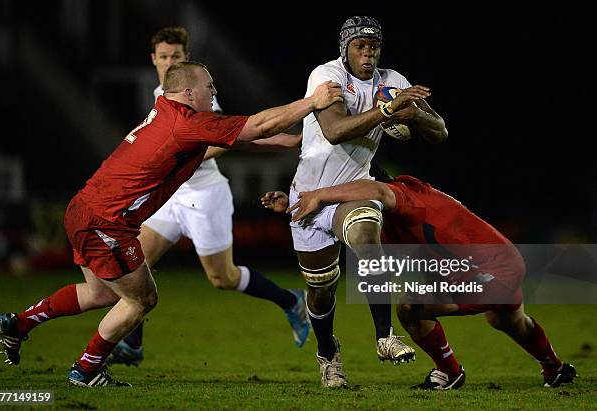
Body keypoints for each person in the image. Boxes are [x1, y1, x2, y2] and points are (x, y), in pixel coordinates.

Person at [0, 61, 343, 387]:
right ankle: (87, 368)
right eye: (209, 86)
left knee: (101, 293)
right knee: (141, 299)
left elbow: (243, 138)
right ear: (189, 93)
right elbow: (259, 125)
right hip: (107, 223)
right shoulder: (187, 123)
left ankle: (18, 324)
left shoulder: (166, 112)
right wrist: (312, 101)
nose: (215, 92)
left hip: (83, 209)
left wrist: (295, 141)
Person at [262, 166, 577, 390]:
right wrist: (293, 202)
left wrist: (318, 194)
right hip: (495, 262)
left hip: (487, 271)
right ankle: (555, 368)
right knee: (507, 320)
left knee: (410, 305)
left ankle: (450, 372)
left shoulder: (401, 197)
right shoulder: (385, 216)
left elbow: (376, 190)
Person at [107, 26, 310, 367]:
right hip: (171, 196)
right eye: (164, 57)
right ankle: (133, 345)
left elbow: (220, 140)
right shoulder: (161, 92)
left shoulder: (199, 94)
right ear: (153, 59)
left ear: (185, 58)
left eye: (176, 56)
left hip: (204, 195)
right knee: (135, 265)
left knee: (222, 278)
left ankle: (291, 301)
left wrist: (175, 158)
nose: (169, 61)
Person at [285, 15, 447, 387]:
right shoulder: (327, 77)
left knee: (366, 238)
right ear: (345, 48)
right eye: (360, 45)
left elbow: (440, 131)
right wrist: (388, 111)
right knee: (321, 291)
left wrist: (416, 115)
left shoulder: (393, 82)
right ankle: (328, 353)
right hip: (308, 198)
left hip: (354, 190)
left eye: (373, 46)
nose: (368, 53)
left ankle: (385, 336)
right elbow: (335, 130)